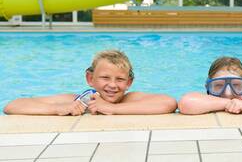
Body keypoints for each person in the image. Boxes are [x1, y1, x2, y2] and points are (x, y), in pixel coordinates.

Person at [3, 50, 177, 115]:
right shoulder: (78, 100)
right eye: (105, 78)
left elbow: (168, 103)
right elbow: (13, 105)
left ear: (129, 82)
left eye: (120, 79)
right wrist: (57, 109)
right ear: (90, 79)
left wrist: (113, 108)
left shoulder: (129, 99)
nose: (113, 85)